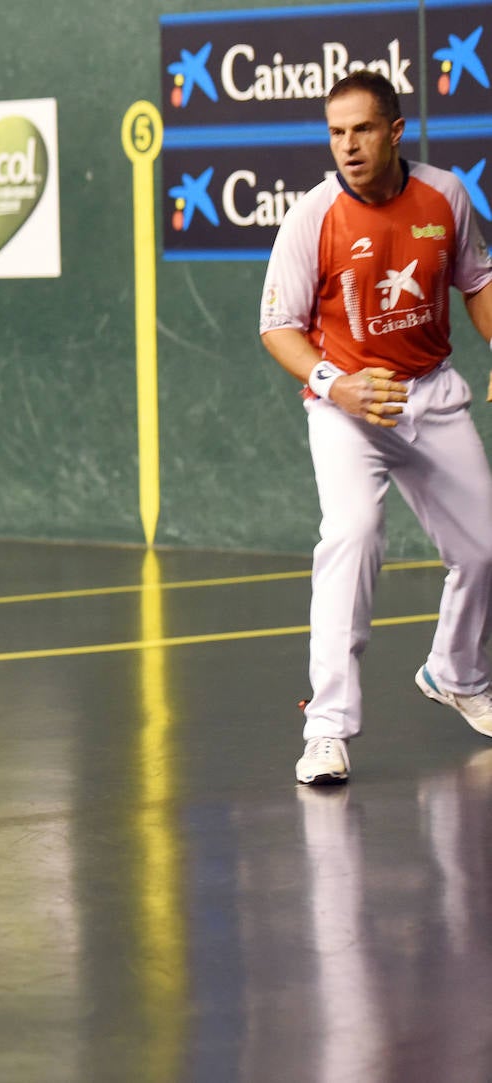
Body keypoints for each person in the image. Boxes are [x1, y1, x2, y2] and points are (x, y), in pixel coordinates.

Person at [259, 70, 492, 785]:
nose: (348, 146)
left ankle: (456, 672)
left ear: (395, 130)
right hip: (347, 409)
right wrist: (340, 386)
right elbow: (278, 328)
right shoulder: (312, 216)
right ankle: (327, 729)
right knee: (352, 536)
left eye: (362, 129)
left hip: (431, 394)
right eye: (336, 133)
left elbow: (478, 281)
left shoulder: (446, 194)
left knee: (486, 548)